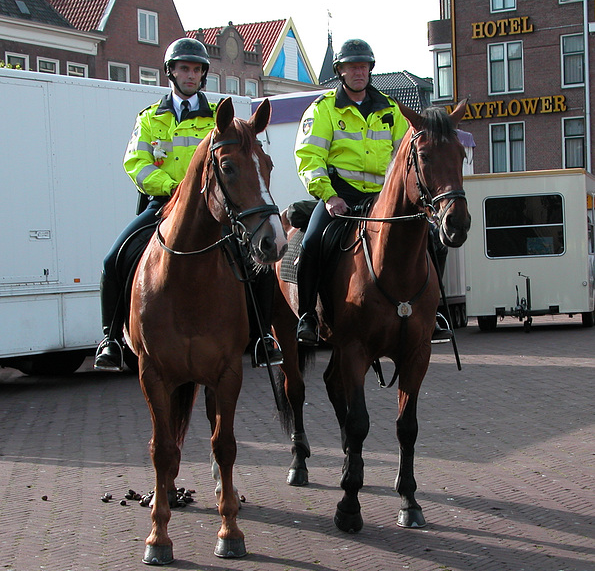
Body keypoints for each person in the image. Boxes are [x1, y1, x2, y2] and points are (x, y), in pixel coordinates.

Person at [94, 37, 282, 371]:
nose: (190, 75)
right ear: (171, 72)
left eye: (196, 70)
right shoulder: (151, 118)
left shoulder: (219, 120)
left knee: (258, 265)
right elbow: (137, 163)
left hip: (213, 210)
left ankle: (262, 337)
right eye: (184, 69)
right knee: (114, 259)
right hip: (164, 204)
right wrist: (171, 187)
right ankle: (111, 339)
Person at [294, 38, 453, 345]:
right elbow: (309, 157)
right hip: (342, 196)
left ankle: (434, 313)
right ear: (340, 71)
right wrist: (328, 196)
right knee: (311, 243)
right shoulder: (323, 109)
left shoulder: (391, 109)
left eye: (364, 66)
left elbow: (408, 157)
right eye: (353, 67)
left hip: (383, 198)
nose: (359, 72)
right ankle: (307, 317)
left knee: (435, 240)